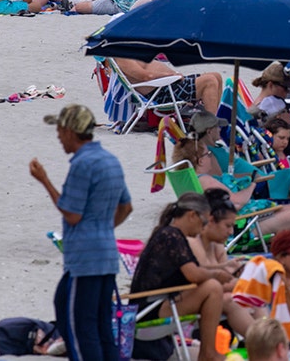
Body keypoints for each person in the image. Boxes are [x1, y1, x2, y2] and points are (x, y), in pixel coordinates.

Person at [29, 104, 132, 361]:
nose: (58, 136)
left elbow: (72, 214)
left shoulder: (83, 164)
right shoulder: (110, 160)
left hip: (86, 260)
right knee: (99, 324)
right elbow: (126, 207)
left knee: (80, 328)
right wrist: (103, 229)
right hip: (106, 255)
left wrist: (45, 181)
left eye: (60, 130)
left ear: (70, 131)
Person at [127, 194, 225, 361]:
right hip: (148, 311)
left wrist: (222, 270)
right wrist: (217, 274)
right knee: (213, 288)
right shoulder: (172, 236)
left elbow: (195, 270)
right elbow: (193, 274)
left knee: (214, 286)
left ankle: (209, 350)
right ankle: (208, 353)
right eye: (204, 222)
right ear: (192, 215)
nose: (204, 228)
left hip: (156, 304)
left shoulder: (170, 234)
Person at [173, 138, 290, 242]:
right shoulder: (205, 180)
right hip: (239, 228)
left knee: (289, 209)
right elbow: (236, 203)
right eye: (208, 155)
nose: (210, 157)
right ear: (200, 161)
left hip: (234, 222)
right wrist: (252, 184)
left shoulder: (191, 179)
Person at [187, 190, 256, 335]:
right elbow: (204, 283)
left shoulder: (216, 243)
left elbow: (225, 276)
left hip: (208, 297)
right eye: (228, 226)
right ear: (211, 220)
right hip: (191, 299)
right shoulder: (193, 242)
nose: (231, 232)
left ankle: (270, 336)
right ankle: (265, 341)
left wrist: (238, 271)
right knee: (235, 297)